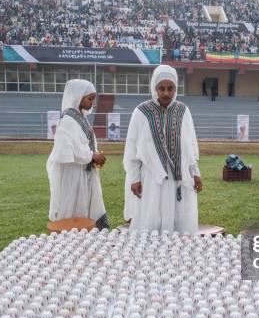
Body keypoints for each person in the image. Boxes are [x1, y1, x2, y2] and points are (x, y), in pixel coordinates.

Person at [124, 65, 202, 234]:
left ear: (176, 89)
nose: (166, 93)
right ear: (154, 88)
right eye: (161, 88)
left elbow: (190, 146)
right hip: (151, 178)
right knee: (150, 219)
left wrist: (196, 173)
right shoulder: (141, 112)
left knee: (179, 221)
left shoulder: (183, 111)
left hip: (179, 177)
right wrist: (134, 178)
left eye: (170, 88)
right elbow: (132, 148)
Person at [46, 79, 109, 229]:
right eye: (90, 98)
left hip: (85, 171)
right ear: (78, 96)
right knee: (73, 206)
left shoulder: (82, 118)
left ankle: (87, 235)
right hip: (73, 174)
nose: (93, 103)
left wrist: (94, 156)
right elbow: (66, 150)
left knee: (86, 204)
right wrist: (91, 156)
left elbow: (85, 143)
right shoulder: (67, 119)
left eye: (94, 99)